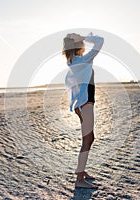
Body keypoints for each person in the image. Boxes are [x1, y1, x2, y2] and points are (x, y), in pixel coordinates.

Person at [63, 32, 104, 188]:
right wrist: (85, 38)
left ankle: (80, 170)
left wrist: (77, 38)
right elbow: (100, 41)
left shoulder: (73, 61)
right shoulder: (82, 60)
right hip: (85, 103)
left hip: (83, 103)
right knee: (87, 140)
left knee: (89, 138)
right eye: (77, 37)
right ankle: (80, 180)